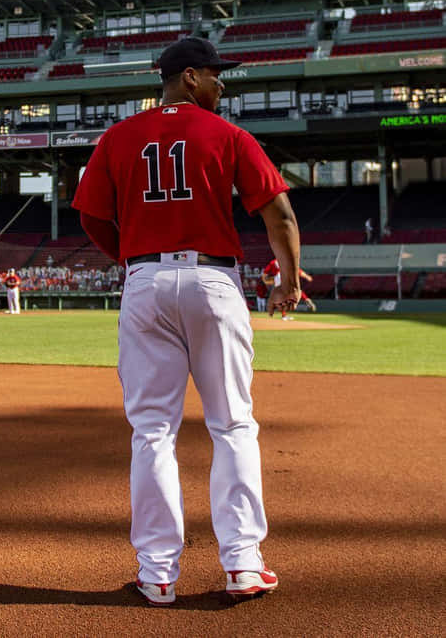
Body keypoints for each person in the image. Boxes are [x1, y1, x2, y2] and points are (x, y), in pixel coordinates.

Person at [72, 36, 301, 606]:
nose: (223, 84)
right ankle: (243, 564)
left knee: (152, 431)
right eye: (216, 74)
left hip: (145, 280)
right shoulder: (228, 135)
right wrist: (290, 280)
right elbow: (279, 212)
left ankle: (156, 573)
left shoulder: (118, 136)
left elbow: (91, 216)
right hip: (212, 280)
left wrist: (134, 263)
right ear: (189, 77)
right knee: (233, 424)